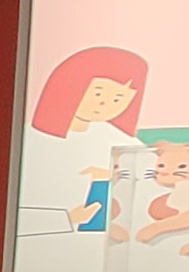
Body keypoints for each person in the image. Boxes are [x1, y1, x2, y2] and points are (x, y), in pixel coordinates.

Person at [22, 45, 149, 233]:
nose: (104, 103)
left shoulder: (121, 141)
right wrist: (68, 219)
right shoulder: (31, 141)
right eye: (97, 93)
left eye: (117, 99)